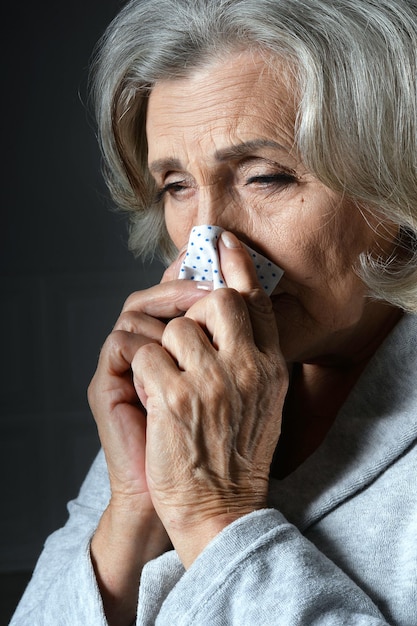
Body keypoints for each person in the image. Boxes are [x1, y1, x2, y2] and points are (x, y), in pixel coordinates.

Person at [10, 0, 417, 624]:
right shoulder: (189, 384)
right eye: (177, 186)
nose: (209, 242)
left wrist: (213, 514)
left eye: (265, 177)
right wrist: (135, 509)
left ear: (398, 184)